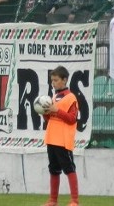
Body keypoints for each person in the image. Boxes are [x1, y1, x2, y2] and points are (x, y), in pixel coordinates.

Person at [41, 66, 80, 206]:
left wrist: (56, 110)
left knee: (69, 168)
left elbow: (72, 119)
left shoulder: (71, 98)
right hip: (51, 138)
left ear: (64, 80)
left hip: (63, 140)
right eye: (52, 80)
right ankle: (53, 200)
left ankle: (74, 201)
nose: (53, 83)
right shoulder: (54, 97)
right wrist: (45, 112)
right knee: (54, 169)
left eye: (56, 80)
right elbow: (50, 119)